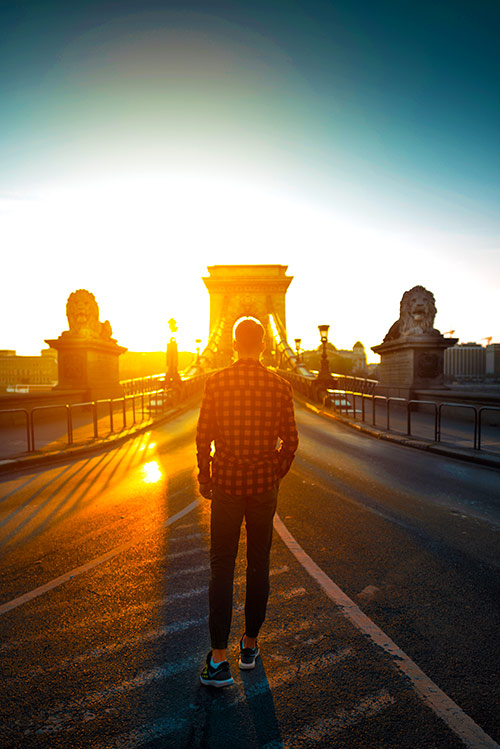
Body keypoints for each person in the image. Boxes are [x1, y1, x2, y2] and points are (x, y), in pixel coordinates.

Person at [196, 318, 299, 687]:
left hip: (225, 487)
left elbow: (203, 434)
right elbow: (290, 440)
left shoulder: (216, 382)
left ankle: (219, 660)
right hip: (262, 489)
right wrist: (273, 474)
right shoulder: (280, 386)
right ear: (267, 343)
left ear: (232, 343)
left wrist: (205, 476)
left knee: (221, 567)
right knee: (259, 565)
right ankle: (250, 645)